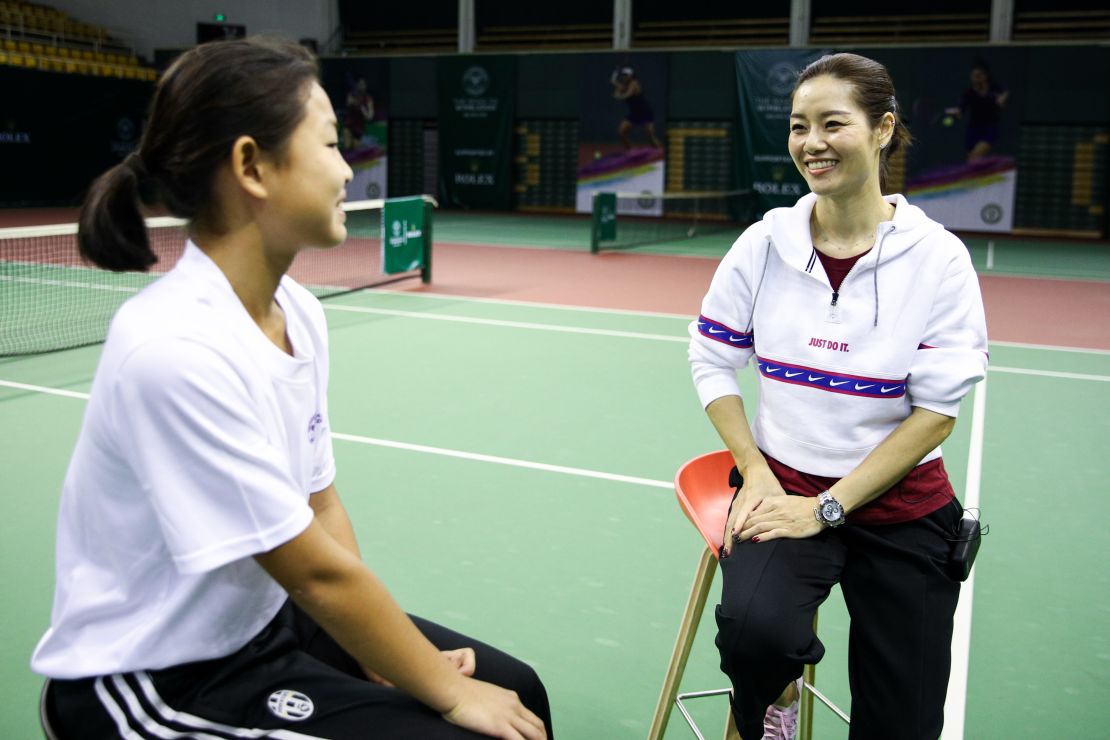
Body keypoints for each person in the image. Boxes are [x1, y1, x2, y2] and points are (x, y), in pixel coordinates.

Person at [31, 37, 551, 740]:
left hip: (268, 622)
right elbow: (314, 574)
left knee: (519, 690)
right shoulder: (173, 351)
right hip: (152, 676)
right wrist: (433, 685)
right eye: (332, 145)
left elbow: (321, 505)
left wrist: (388, 657)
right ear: (252, 166)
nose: (346, 170)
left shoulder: (299, 314)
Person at [687, 53, 987, 740]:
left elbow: (935, 416)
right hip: (781, 481)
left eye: (832, 123)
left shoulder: (938, 260)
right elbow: (710, 356)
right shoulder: (764, 244)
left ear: (883, 129)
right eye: (798, 126)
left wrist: (827, 509)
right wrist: (757, 473)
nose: (811, 143)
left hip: (901, 508)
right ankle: (777, 700)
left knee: (903, 720)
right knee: (755, 638)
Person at [945, 59, 1008, 162]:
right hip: (973, 131)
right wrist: (957, 112)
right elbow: (961, 112)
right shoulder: (968, 94)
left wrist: (1002, 101)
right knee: (973, 161)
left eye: (978, 75)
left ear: (985, 76)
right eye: (973, 76)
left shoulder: (996, 89)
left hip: (989, 129)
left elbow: (1004, 100)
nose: (975, 78)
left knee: (975, 156)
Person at [610, 67, 662, 150]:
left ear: (631, 75)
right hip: (635, 113)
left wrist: (618, 96)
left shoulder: (634, 83)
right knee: (621, 132)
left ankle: (660, 152)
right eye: (623, 75)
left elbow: (628, 95)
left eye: (626, 75)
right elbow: (613, 82)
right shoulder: (624, 86)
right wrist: (615, 73)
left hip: (645, 112)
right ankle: (630, 151)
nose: (625, 77)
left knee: (650, 136)